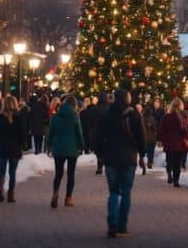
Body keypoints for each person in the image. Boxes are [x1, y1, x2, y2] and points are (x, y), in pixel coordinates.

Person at [94, 89, 146, 238]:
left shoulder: (107, 114)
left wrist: (99, 154)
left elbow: (99, 135)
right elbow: (140, 136)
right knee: (126, 192)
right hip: (128, 158)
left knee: (113, 192)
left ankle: (112, 223)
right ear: (126, 99)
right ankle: (122, 226)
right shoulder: (133, 114)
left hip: (110, 158)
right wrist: (142, 155)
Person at [47, 95, 85, 208]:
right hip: (72, 148)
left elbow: (51, 132)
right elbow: (79, 133)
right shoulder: (75, 116)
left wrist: (49, 146)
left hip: (58, 148)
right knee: (70, 174)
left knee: (58, 174)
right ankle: (68, 198)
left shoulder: (56, 116)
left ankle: (55, 192)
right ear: (74, 105)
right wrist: (81, 146)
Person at [0, 95, 27, 203]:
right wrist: (22, 145)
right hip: (14, 148)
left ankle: (0, 188)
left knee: (1, 171)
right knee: (12, 172)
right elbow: (22, 134)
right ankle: (11, 194)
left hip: (1, 147)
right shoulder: (19, 117)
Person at [158, 99, 188, 187]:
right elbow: (185, 131)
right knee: (177, 162)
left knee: (169, 160)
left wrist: (162, 140)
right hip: (179, 143)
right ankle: (176, 180)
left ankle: (169, 174)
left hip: (168, 143)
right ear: (181, 106)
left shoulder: (166, 117)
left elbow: (161, 130)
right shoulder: (182, 117)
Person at [141, 102, 158, 169]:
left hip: (144, 137)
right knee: (151, 151)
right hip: (151, 138)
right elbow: (153, 128)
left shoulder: (142, 118)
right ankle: (150, 162)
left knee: (146, 150)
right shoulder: (151, 118)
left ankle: (145, 161)